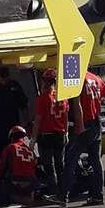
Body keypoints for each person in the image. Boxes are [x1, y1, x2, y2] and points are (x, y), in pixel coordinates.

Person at [63, 70, 105, 206]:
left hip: (85, 123)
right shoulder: (95, 78)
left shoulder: (76, 79)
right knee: (95, 160)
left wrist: (79, 125)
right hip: (96, 122)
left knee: (70, 158)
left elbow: (77, 104)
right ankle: (97, 195)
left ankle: (63, 195)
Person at [31, 68, 69, 197]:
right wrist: (66, 132)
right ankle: (64, 192)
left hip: (46, 135)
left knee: (48, 165)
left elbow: (38, 120)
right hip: (60, 134)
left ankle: (54, 191)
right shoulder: (62, 97)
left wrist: (33, 138)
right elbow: (66, 116)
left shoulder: (42, 98)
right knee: (60, 165)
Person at [0, 66, 29, 158]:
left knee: (15, 149)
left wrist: (26, 122)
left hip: (13, 124)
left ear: (8, 76)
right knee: (0, 151)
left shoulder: (15, 86)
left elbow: (24, 104)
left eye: (5, 77)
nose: (3, 80)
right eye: (1, 77)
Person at [0, 126, 46, 205]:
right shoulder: (30, 150)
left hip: (16, 180)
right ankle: (32, 197)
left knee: (2, 184)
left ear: (11, 137)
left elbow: (2, 166)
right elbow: (35, 164)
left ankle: (12, 197)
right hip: (32, 182)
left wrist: (0, 177)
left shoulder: (10, 148)